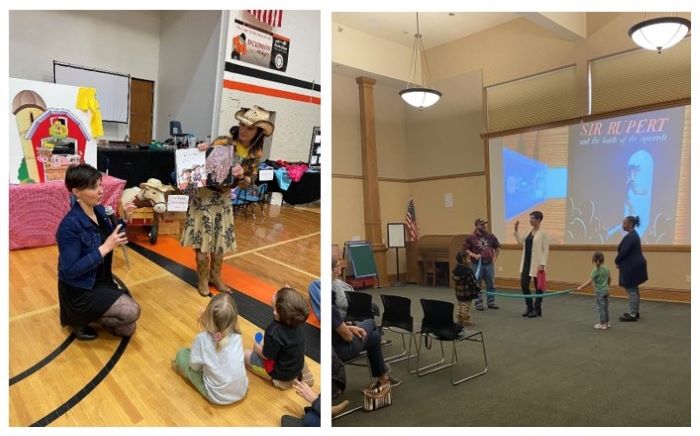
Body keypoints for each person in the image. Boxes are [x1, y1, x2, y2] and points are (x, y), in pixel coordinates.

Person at [181, 106, 274, 296]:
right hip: (204, 196)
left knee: (219, 243)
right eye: (242, 125)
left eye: (250, 128)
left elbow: (249, 182)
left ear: (258, 132)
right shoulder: (223, 141)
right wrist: (201, 150)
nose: (244, 130)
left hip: (223, 199)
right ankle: (203, 280)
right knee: (202, 241)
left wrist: (242, 178)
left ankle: (216, 277)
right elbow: (200, 164)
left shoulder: (255, 154)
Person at [57, 164, 141, 340]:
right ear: (76, 192)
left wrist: (125, 219)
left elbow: (112, 236)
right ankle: (78, 319)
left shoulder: (100, 211)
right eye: (94, 187)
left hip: (101, 280)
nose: (101, 191)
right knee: (132, 311)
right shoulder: (69, 226)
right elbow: (69, 270)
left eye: (100, 185)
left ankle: (92, 315)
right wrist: (106, 248)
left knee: (127, 329)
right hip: (81, 290)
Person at [172, 293, 248, 404]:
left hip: (216, 396)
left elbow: (194, 367)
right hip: (241, 391)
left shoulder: (202, 339)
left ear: (208, 315)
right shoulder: (237, 336)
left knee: (182, 354)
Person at [245, 287, 315, 389]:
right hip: (295, 362)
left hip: (279, 372)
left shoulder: (273, 332)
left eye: (276, 295)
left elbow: (267, 356)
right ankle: (301, 373)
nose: (274, 293)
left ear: (276, 312)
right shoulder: (298, 321)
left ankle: (282, 381)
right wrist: (288, 293)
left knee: (246, 355)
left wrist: (256, 347)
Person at [332, 293, 398, 389]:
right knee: (371, 322)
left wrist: (349, 327)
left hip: (334, 348)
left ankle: (383, 378)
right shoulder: (329, 309)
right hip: (342, 351)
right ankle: (383, 369)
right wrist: (349, 330)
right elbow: (349, 337)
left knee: (374, 338)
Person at [513, 210, 550, 318]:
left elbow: (545, 250)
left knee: (539, 287)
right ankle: (529, 307)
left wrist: (542, 264)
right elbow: (521, 243)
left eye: (532, 218)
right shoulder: (529, 231)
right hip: (526, 263)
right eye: (530, 218)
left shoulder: (544, 233)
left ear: (538, 219)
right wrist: (516, 231)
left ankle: (537, 308)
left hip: (538, 264)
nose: (530, 220)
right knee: (524, 284)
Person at [463, 218, 501, 311]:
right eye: (481, 225)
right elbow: (465, 250)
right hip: (476, 265)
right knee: (477, 284)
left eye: (484, 224)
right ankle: (478, 303)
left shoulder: (490, 236)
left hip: (488, 264)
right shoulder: (470, 237)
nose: (484, 226)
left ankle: (491, 302)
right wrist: (474, 255)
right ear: (476, 226)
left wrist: (495, 258)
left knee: (490, 283)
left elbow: (497, 247)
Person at [615, 216, 648, 322]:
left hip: (632, 267)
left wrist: (617, 261)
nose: (622, 225)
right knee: (634, 289)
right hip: (635, 266)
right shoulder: (633, 235)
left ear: (630, 224)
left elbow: (623, 252)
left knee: (632, 290)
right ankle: (635, 312)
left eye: (624, 223)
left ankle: (633, 314)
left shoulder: (631, 237)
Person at [576, 252, 612, 330]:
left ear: (594, 260)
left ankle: (602, 324)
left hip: (599, 292)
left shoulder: (595, 270)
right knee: (606, 307)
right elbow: (609, 278)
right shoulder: (606, 268)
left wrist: (581, 287)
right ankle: (607, 322)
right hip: (606, 291)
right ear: (603, 259)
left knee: (601, 308)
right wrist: (608, 287)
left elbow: (590, 281)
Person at [452, 251, 480, 327]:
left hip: (459, 293)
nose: (470, 260)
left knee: (460, 305)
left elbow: (454, 277)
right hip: (467, 293)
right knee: (466, 307)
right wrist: (478, 288)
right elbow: (473, 282)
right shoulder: (468, 271)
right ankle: (466, 320)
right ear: (464, 260)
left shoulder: (455, 269)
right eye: (469, 258)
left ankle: (459, 319)